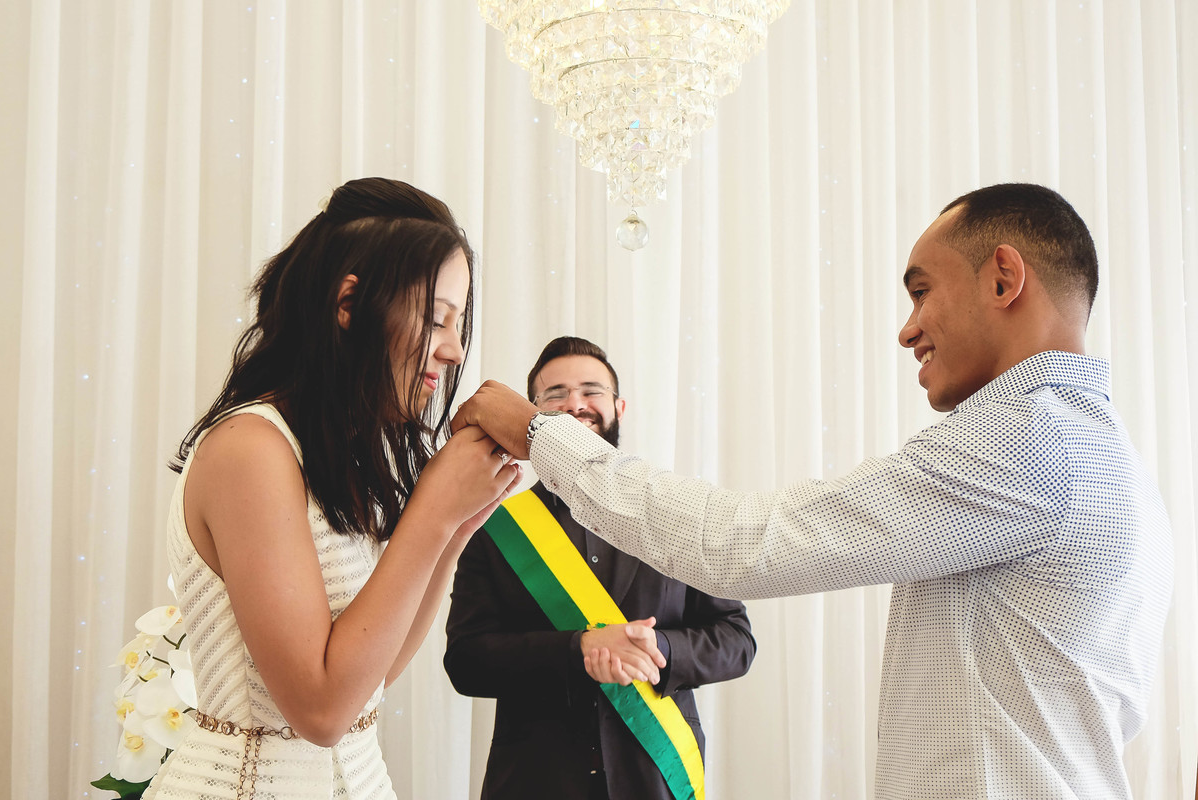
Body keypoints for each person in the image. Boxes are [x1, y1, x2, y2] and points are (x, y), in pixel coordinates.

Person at [451, 184, 1174, 799]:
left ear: (1003, 279)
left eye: (922, 290)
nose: (907, 329)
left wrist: (538, 433)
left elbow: (737, 546)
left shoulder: (1027, 442)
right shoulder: (1108, 455)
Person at [143, 178, 522, 799]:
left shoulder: (340, 455)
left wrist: (457, 525)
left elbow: (368, 682)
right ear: (348, 304)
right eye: (438, 319)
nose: (455, 351)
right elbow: (320, 713)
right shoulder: (251, 450)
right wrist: (430, 514)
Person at [443, 336, 756, 800]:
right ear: (532, 416)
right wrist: (579, 649)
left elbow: (737, 640)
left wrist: (659, 648)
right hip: (535, 780)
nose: (575, 404)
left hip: (656, 777)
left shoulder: (673, 512)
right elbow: (466, 662)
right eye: (555, 395)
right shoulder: (494, 527)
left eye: (591, 390)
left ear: (619, 407)